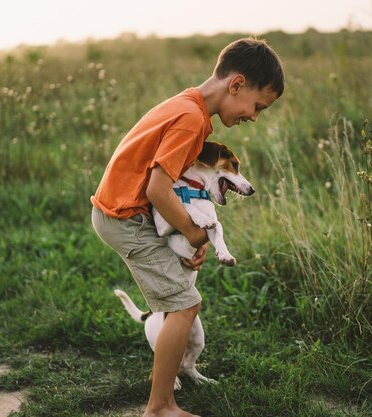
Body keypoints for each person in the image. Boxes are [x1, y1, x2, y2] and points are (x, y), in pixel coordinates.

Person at [91, 37, 284, 417]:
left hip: (124, 210)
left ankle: (163, 383)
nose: (255, 116)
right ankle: (160, 406)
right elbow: (158, 189)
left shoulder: (188, 104)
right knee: (184, 305)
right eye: (257, 106)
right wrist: (195, 235)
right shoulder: (193, 121)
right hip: (124, 216)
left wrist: (190, 233)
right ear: (236, 85)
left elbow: (172, 187)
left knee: (180, 300)